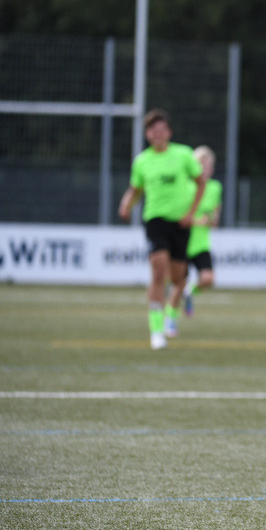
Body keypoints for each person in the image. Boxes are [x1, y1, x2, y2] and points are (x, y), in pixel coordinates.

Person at [118, 109, 205, 350]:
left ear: (169, 132)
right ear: (147, 134)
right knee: (158, 271)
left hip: (181, 223)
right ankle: (156, 332)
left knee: (177, 278)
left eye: (162, 130)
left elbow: (201, 183)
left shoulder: (184, 155)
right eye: (153, 131)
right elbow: (136, 189)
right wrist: (126, 204)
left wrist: (191, 213)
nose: (158, 134)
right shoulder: (142, 161)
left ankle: (172, 310)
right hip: (155, 221)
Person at [182, 146, 223, 318]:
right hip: (184, 242)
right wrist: (199, 221)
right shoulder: (186, 187)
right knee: (176, 283)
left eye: (209, 165)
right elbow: (181, 218)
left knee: (208, 279)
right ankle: (170, 320)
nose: (206, 168)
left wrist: (213, 220)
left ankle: (189, 292)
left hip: (201, 243)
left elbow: (215, 217)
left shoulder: (215, 187)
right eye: (202, 164)